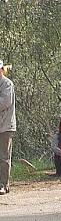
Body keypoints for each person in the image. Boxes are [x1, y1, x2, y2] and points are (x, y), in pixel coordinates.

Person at [0, 60, 15, 195]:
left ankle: (4, 184)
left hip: (5, 126)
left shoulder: (7, 84)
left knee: (4, 156)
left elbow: (4, 103)